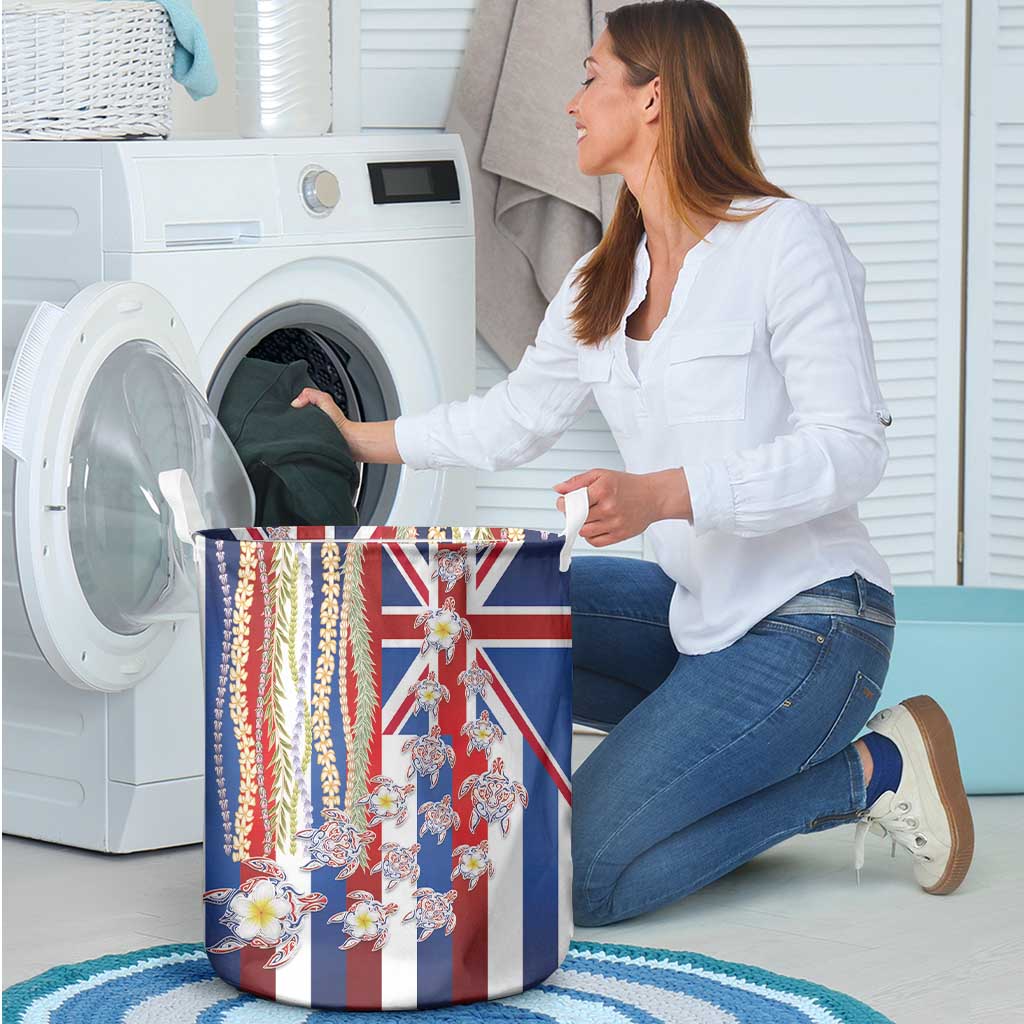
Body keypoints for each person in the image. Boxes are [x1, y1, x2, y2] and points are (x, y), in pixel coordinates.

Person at [291, 0, 974, 926]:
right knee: (474, 600)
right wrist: (363, 435)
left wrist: (666, 496)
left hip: (815, 624)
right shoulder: (601, 278)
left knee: (588, 877)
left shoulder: (784, 241)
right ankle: (658, 763)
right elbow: (513, 420)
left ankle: (871, 771)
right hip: (699, 618)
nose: (571, 102)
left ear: (653, 99)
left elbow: (850, 452)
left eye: (590, 77)